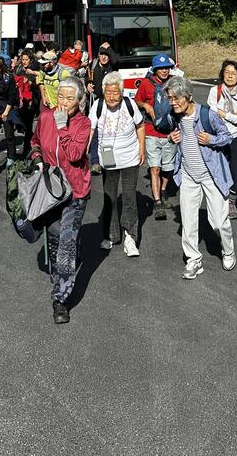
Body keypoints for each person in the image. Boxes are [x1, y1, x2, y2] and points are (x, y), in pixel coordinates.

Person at [30, 76, 91, 324]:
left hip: (75, 191)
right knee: (56, 241)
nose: (64, 102)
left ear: (79, 101)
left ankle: (60, 299)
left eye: (70, 98)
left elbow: (75, 154)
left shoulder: (83, 124)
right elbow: (35, 143)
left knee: (65, 245)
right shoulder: (45, 117)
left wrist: (63, 126)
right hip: (51, 192)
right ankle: (62, 272)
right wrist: (37, 160)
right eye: (61, 96)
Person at [162, 76, 236, 279]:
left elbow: (227, 137)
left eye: (177, 98)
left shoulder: (207, 115)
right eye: (170, 98)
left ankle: (228, 251)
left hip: (211, 175)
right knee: (188, 221)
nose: (174, 102)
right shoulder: (173, 116)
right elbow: (169, 131)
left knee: (219, 222)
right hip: (188, 175)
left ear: (189, 97)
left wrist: (212, 139)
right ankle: (193, 260)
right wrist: (171, 137)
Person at [89, 71, 145, 257]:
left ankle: (130, 236)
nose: (112, 96)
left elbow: (140, 125)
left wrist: (142, 149)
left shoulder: (129, 105)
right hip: (108, 161)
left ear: (121, 92)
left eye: (115, 92)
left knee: (129, 198)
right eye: (108, 92)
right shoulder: (97, 106)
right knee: (109, 198)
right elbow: (90, 130)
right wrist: (84, 152)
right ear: (103, 91)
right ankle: (111, 234)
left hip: (129, 158)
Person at [136, 53, 177, 220]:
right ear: (155, 69)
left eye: (166, 67)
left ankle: (163, 190)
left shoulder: (175, 82)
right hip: (151, 131)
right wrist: (146, 105)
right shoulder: (146, 83)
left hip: (170, 132)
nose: (164, 70)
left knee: (168, 168)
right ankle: (158, 202)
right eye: (161, 68)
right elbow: (137, 100)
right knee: (155, 168)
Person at [207, 60, 237, 219]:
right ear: (222, 74)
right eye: (227, 72)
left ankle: (232, 201)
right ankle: (220, 199)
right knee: (218, 168)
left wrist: (225, 114)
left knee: (236, 170)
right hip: (219, 135)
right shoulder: (214, 91)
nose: (230, 76)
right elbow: (212, 114)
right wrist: (234, 115)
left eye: (234, 73)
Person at [86, 44, 118, 175]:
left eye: (107, 55)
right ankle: (95, 161)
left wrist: (110, 48)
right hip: (96, 104)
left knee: (109, 133)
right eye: (102, 54)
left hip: (110, 105)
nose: (104, 57)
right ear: (98, 55)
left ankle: (108, 160)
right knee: (95, 132)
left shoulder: (112, 67)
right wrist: (87, 85)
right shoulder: (92, 66)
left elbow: (117, 60)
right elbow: (87, 79)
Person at [14, 50, 41, 158]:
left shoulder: (35, 69)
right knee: (22, 124)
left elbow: (39, 85)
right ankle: (30, 143)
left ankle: (27, 148)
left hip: (31, 101)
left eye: (26, 60)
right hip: (21, 100)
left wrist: (29, 82)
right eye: (23, 59)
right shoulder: (19, 69)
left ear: (30, 60)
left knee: (28, 125)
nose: (24, 62)